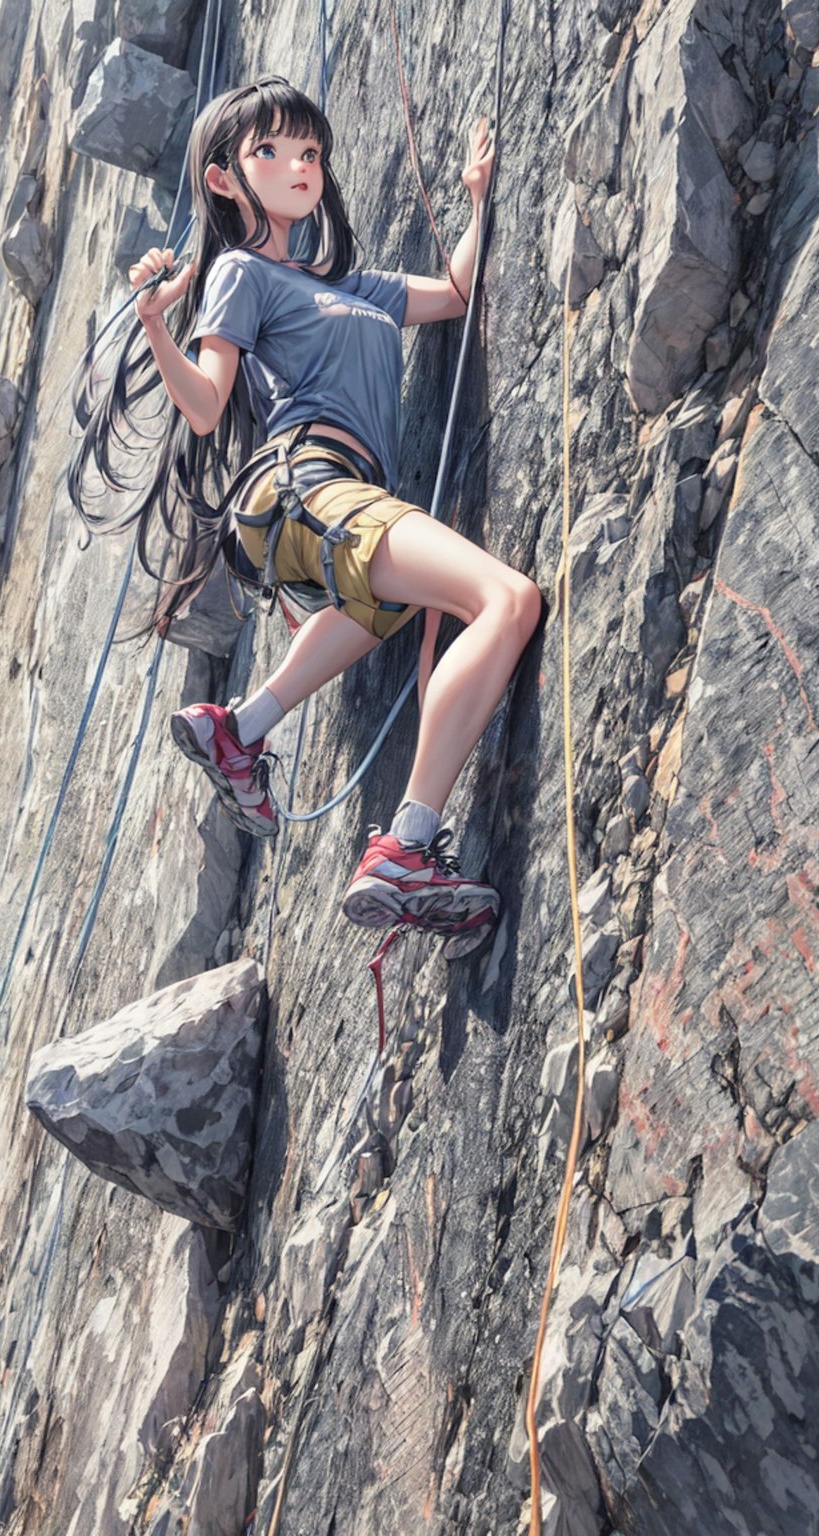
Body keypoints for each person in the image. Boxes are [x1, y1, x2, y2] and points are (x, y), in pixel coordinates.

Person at [75, 76, 541, 944]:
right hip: (305, 484)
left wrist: (479, 203)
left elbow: (450, 294)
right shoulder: (242, 274)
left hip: (336, 498)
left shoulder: (348, 284)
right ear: (223, 179)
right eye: (270, 152)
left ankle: (241, 729)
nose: (297, 168)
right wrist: (153, 329)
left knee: (385, 601)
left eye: (311, 153)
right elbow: (209, 407)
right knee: (507, 601)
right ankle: (406, 846)